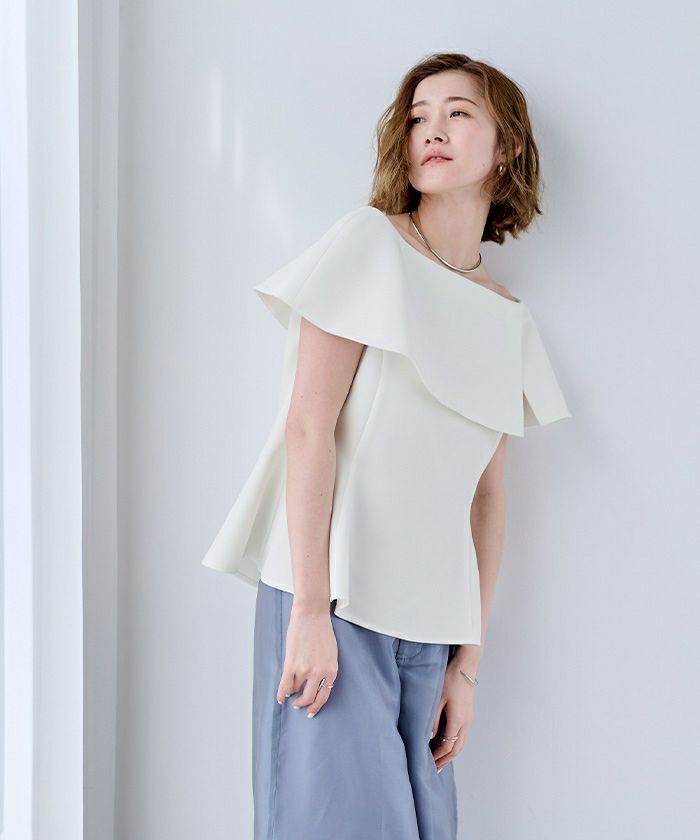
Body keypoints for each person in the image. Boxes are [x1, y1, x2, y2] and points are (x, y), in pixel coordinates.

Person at [202, 52, 572, 839]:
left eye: (458, 113)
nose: (431, 130)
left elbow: (486, 496)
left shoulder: (507, 317)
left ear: (507, 145)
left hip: (430, 623)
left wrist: (467, 666)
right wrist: (310, 611)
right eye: (417, 117)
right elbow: (309, 426)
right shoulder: (367, 246)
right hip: (335, 597)